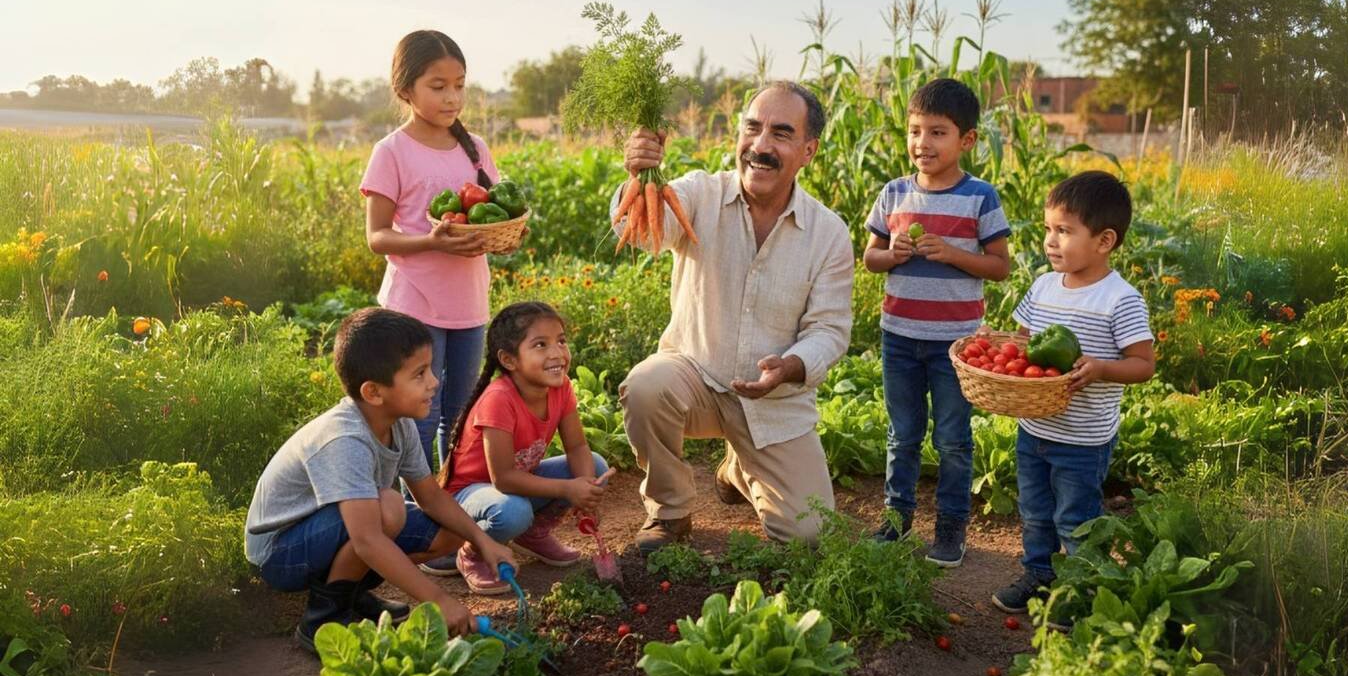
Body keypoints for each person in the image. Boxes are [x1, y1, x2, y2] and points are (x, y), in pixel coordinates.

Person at [614, 82, 855, 552]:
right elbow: (639, 231)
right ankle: (670, 513)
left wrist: (791, 365)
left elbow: (829, 329)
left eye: (781, 134)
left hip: (773, 402)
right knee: (645, 387)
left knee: (809, 535)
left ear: (809, 150)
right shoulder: (700, 194)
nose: (761, 146)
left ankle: (739, 469)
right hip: (695, 378)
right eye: (752, 128)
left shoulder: (827, 233)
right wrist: (638, 177)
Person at [243, 307, 515, 651]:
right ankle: (323, 618)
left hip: (327, 531)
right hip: (279, 551)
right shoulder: (345, 438)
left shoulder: (399, 423)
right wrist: (438, 600)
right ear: (373, 392)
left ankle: (353, 596)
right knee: (387, 507)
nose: (434, 381)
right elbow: (368, 539)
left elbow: (430, 496)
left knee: (449, 534)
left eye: (430, 369)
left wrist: (480, 540)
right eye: (419, 374)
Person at [991, 171, 1156, 614]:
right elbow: (1022, 345)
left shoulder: (1119, 300)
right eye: (1048, 229)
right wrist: (995, 345)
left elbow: (1144, 365)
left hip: (1083, 439)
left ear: (1104, 241)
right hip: (1034, 427)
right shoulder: (1043, 287)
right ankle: (1039, 576)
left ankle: (1081, 590)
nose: (1050, 241)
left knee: (1075, 518)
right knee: (1035, 510)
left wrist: (1101, 367)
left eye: (1063, 231)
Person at [863, 77, 1011, 567]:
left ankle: (950, 527)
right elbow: (870, 257)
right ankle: (897, 518)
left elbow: (1000, 266)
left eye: (937, 132)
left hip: (955, 343)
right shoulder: (894, 193)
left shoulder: (980, 197)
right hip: (899, 336)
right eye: (914, 131)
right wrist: (893, 253)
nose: (922, 143)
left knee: (952, 438)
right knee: (901, 433)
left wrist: (950, 253)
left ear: (966, 140)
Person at [361, 29, 500, 473]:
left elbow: (494, 213)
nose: (452, 97)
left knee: (460, 416)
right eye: (437, 87)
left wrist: (506, 235)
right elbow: (377, 236)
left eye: (459, 85)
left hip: (469, 301)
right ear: (406, 90)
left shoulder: (474, 147)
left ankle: (455, 506)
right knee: (421, 417)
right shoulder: (392, 151)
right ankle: (418, 522)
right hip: (415, 306)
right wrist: (430, 240)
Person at [423, 301, 612, 592]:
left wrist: (585, 488)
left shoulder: (561, 388)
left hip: (510, 489)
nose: (557, 353)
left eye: (561, 341)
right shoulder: (499, 398)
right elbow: (503, 478)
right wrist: (567, 489)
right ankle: (472, 551)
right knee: (513, 512)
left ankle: (533, 534)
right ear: (509, 360)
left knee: (594, 466)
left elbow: (576, 447)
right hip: (469, 495)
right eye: (540, 345)